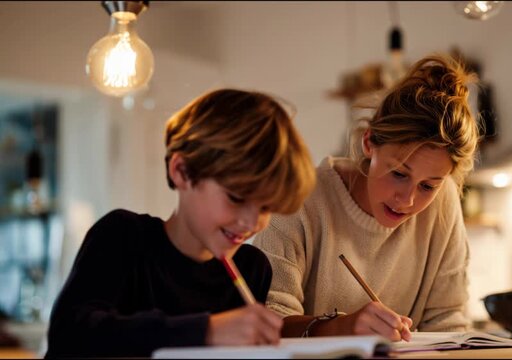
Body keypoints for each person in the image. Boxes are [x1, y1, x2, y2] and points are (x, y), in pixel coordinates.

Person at [45, 89, 317, 358]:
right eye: (236, 197)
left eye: (266, 206)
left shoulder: (252, 268)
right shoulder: (123, 236)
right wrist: (207, 331)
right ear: (182, 171)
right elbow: (68, 335)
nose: (251, 222)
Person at [253, 53, 481, 341]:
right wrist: (340, 328)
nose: (408, 200)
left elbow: (449, 321)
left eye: (427, 186)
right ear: (369, 142)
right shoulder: (299, 197)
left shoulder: (444, 200)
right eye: (399, 174)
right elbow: (269, 320)